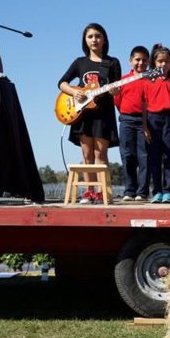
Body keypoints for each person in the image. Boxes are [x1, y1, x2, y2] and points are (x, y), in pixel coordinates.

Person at [58, 23, 121, 204]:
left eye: (98, 36)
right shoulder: (79, 62)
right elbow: (62, 83)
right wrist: (73, 91)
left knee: (101, 154)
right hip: (83, 114)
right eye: (90, 36)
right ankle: (89, 192)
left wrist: (115, 90)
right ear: (85, 40)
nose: (94, 40)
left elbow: (116, 87)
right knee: (87, 155)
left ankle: (103, 193)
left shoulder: (112, 62)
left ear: (104, 40)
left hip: (103, 114)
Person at [143, 45, 170, 203]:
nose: (163, 64)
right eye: (160, 61)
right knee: (154, 157)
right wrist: (145, 126)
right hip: (152, 119)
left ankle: (168, 191)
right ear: (154, 62)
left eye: (167, 61)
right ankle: (157, 191)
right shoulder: (148, 79)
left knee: (169, 156)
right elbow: (144, 104)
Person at [114, 46, 150, 202]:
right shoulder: (123, 80)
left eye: (144, 60)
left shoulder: (150, 78)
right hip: (127, 119)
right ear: (130, 61)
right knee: (127, 155)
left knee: (144, 156)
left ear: (148, 62)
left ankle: (142, 192)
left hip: (144, 121)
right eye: (137, 59)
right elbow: (118, 101)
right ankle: (129, 190)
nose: (140, 63)